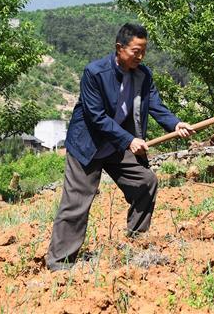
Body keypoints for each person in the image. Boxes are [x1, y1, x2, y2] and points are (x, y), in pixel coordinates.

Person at [45, 22, 193, 271]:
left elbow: (155, 105)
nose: (141, 56)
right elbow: (96, 116)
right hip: (89, 146)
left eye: (144, 50)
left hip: (117, 146)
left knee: (145, 182)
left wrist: (176, 124)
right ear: (119, 48)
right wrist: (128, 140)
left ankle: (136, 241)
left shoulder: (143, 75)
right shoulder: (95, 73)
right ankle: (59, 263)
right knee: (77, 203)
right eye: (136, 51)